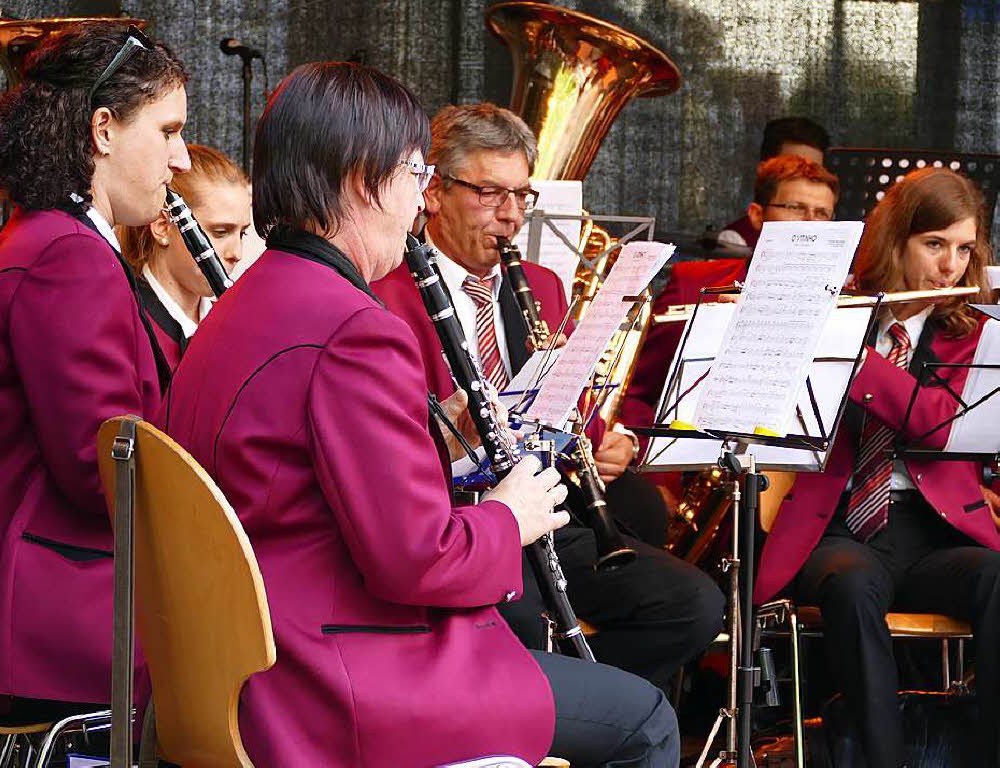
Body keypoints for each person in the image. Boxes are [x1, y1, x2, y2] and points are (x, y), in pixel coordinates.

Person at [164, 63, 679, 767]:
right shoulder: (354, 326)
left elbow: (301, 483)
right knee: (645, 720)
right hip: (341, 679)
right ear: (360, 178)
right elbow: (417, 560)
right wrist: (511, 513)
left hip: (244, 669)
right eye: (416, 175)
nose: (418, 204)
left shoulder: (240, 308)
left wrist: (443, 442)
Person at [374, 102, 724, 686]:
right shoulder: (384, 289)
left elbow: (565, 408)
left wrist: (605, 442)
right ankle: (560, 706)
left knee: (692, 605)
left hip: (547, 506)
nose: (511, 217)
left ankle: (582, 709)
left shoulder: (541, 284)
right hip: (463, 521)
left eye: (521, 196)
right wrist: (450, 437)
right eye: (490, 194)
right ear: (432, 192)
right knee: (521, 623)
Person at [0, 24, 189, 717]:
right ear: (103, 129)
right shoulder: (66, 254)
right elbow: (105, 471)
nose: (181, 158)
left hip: (50, 604)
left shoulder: (47, 238)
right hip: (65, 619)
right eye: (167, 131)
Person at [755, 167, 1000, 768]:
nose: (950, 267)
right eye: (935, 244)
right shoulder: (837, 309)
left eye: (964, 249)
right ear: (897, 242)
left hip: (930, 529)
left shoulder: (971, 333)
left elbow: (941, 424)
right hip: (838, 527)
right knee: (853, 583)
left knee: (999, 579)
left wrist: (856, 360)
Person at [621, 156, 839, 460]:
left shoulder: (842, 304)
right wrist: (644, 456)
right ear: (757, 215)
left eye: (822, 214)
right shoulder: (693, 283)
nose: (810, 224)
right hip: (689, 463)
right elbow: (640, 390)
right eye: (796, 208)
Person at [118, 143, 251, 372]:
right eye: (220, 232)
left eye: (242, 233)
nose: (236, 254)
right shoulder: (126, 326)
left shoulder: (233, 324)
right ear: (162, 226)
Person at [719, 116, 831, 249]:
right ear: (763, 171)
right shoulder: (735, 239)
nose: (805, 177)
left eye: (814, 171)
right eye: (793, 168)